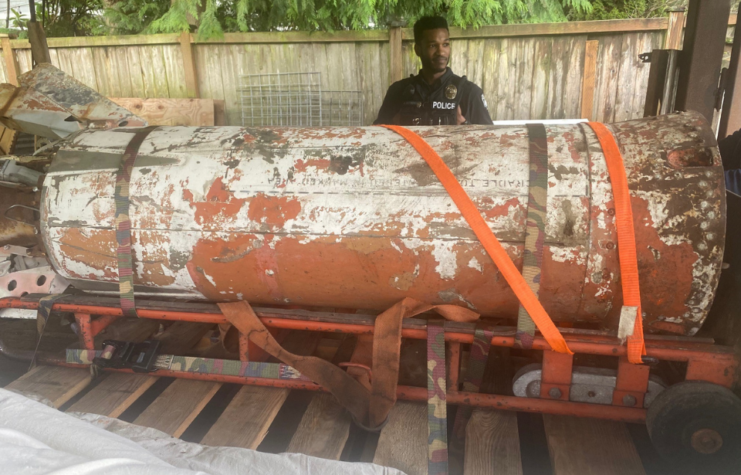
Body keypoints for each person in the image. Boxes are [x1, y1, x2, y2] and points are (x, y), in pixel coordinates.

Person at [374, 16, 492, 126]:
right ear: (418, 50)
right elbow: (376, 137)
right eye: (432, 46)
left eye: (445, 44)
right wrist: (392, 125)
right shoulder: (398, 92)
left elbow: (491, 142)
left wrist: (465, 126)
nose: (441, 52)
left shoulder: (469, 92)